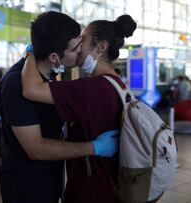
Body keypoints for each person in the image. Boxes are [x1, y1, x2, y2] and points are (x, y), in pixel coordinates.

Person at [0, 11, 118, 203]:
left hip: (50, 178)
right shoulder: (16, 84)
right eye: (76, 48)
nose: (81, 51)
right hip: (26, 186)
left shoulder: (49, 75)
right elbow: (35, 148)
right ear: (54, 57)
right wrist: (94, 147)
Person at [22, 14, 137, 203]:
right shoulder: (118, 84)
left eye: (83, 40)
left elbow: (31, 89)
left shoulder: (91, 88)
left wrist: (33, 52)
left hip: (90, 190)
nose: (77, 45)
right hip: (113, 186)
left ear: (100, 48)